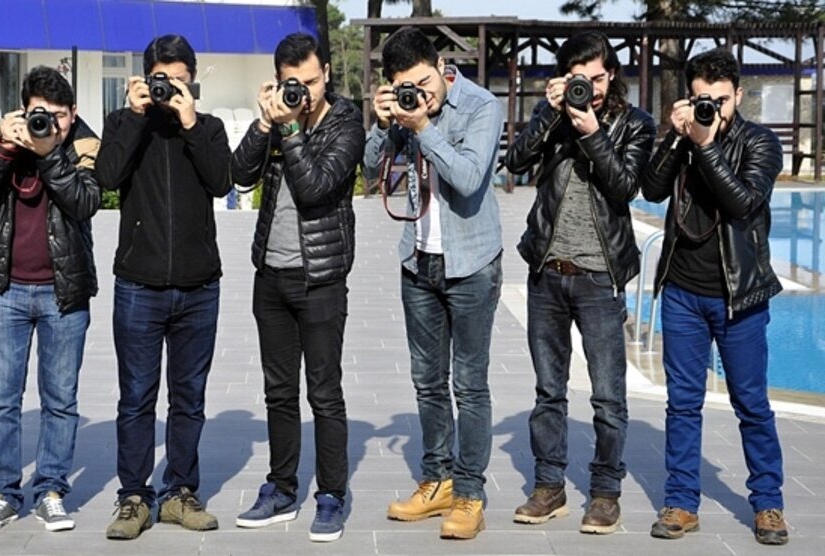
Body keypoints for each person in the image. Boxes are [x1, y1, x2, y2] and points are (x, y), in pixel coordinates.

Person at [504, 31, 655, 535]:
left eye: (594, 78)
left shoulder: (635, 124)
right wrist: (548, 115)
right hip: (547, 272)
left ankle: (606, 492)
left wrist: (591, 131)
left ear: (609, 75)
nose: (586, 88)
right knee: (549, 391)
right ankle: (549, 487)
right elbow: (516, 163)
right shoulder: (553, 117)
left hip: (599, 275)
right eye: (576, 80)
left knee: (608, 396)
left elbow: (626, 186)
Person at [641, 48, 788, 546]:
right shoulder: (685, 137)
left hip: (739, 298)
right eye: (703, 100)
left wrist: (705, 145)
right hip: (683, 291)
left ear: (738, 96)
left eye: (721, 101)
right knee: (682, 404)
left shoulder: (761, 142)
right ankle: (682, 502)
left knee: (752, 404)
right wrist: (673, 138)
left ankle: (767, 503)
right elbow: (653, 189)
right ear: (689, 96)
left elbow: (743, 202)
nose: (713, 110)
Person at [364, 26, 504, 540]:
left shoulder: (482, 106)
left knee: (469, 386)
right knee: (427, 384)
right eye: (405, 87)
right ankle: (437, 479)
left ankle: (469, 494)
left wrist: (421, 126)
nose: (417, 94)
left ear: (440, 64)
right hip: (418, 261)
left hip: (471, 263)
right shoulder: (403, 111)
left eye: (423, 82)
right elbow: (370, 172)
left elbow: (467, 179)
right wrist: (383, 126)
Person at [94, 34, 231, 540]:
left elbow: (222, 182)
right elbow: (108, 176)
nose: (169, 86)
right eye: (160, 77)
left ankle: (179, 493)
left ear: (192, 78)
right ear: (145, 76)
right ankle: (133, 497)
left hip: (199, 286)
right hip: (139, 283)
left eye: (178, 78)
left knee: (189, 396)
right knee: (135, 397)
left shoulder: (209, 127)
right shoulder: (125, 124)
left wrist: (191, 122)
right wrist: (132, 116)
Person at [230, 32, 363, 543]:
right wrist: (265, 121)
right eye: (292, 84)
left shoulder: (346, 121)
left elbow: (316, 187)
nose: (302, 93)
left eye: (309, 82)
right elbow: (237, 175)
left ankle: (331, 495)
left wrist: (288, 132)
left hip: (322, 278)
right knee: (278, 392)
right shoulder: (278, 118)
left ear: (326, 73)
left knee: (324, 394)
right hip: (271, 274)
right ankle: (282, 488)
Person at [0, 66, 101, 532]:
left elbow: (85, 202)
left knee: (61, 400)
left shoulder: (84, 145)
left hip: (65, 291)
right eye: (40, 115)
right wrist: (2, 147)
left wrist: (47, 155)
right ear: (24, 109)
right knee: (0, 400)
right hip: (5, 289)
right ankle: (1, 492)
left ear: (73, 114)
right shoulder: (4, 141)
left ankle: (51, 490)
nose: (50, 125)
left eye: (59, 116)